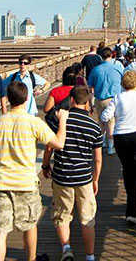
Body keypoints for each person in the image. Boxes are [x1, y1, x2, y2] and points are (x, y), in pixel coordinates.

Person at [0, 81, 69, 261]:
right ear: (27, 99)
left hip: (2, 182)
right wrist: (62, 121)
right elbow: (59, 143)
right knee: (30, 224)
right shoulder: (34, 122)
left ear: (8, 99)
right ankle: (31, 259)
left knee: (0, 232)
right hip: (25, 182)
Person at [41, 87, 103, 261]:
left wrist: (45, 165)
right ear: (87, 102)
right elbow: (98, 159)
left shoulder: (59, 121)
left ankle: (66, 248)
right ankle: (89, 257)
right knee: (87, 219)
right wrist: (95, 179)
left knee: (62, 216)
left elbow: (49, 147)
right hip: (84, 178)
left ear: (72, 101)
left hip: (62, 176)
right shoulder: (94, 127)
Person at [100, 70, 136, 225]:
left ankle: (130, 206)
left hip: (121, 138)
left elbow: (104, 116)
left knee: (127, 170)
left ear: (123, 84)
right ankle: (132, 211)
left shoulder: (118, 97)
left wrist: (117, 118)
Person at [87, 47, 123, 155]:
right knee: (111, 123)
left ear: (101, 57)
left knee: (101, 122)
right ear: (111, 55)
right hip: (113, 99)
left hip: (100, 99)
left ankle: (102, 144)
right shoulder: (117, 68)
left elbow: (90, 86)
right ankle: (111, 147)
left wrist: (90, 103)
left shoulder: (96, 69)